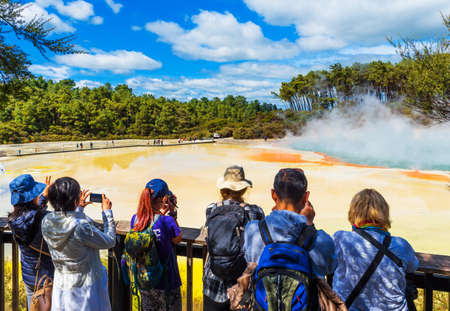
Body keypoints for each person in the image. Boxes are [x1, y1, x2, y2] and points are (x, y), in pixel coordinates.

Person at [242, 168, 336, 310]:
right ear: (306, 197)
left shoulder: (254, 230)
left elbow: (250, 259)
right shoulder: (319, 239)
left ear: (273, 194)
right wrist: (309, 225)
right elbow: (330, 266)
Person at [333, 189, 418, 311]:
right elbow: (413, 266)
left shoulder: (340, 239)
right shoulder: (401, 245)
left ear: (353, 213)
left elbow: (326, 263)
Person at [41, 177, 115, 311]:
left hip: (62, 286)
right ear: (75, 200)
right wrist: (107, 213)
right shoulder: (82, 227)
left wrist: (78, 209)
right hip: (85, 291)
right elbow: (110, 241)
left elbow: (66, 223)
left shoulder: (47, 221)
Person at [203, 165, 264, 311]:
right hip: (241, 281)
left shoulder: (211, 209)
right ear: (243, 189)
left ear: (222, 189)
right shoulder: (254, 211)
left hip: (213, 280)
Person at [130, 179, 183, 311]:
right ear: (165, 198)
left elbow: (152, 224)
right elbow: (177, 239)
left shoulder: (135, 219)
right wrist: (173, 213)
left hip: (146, 280)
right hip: (167, 281)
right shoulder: (167, 220)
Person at [8, 174, 54, 310]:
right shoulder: (45, 219)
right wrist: (78, 208)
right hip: (47, 278)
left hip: (30, 277)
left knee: (34, 307)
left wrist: (44, 198)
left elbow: (32, 215)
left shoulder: (13, 220)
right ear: (32, 197)